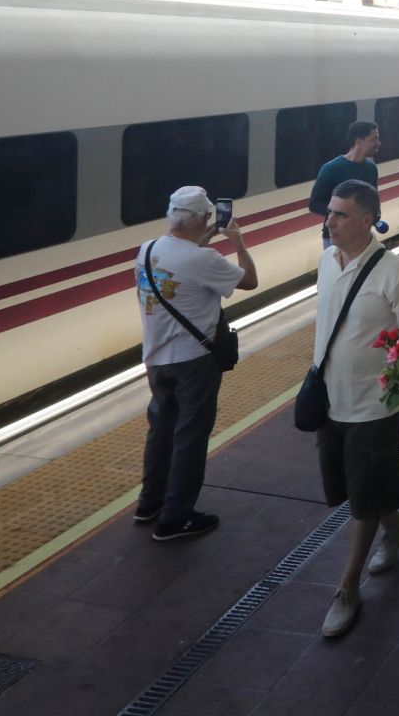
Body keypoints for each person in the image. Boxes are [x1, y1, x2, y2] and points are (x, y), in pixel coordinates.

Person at [313, 181, 399, 638]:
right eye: (330, 213)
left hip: (372, 408)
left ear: (366, 220)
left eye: (339, 215)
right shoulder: (325, 260)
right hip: (327, 401)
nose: (329, 222)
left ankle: (347, 589)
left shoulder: (395, 273)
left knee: (360, 503)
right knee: (352, 490)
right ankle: (396, 525)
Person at [133, 186, 257, 541]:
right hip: (193, 362)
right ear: (203, 219)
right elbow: (250, 280)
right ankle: (176, 518)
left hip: (155, 360)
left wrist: (198, 243)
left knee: (160, 431)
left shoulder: (147, 250)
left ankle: (149, 503)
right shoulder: (204, 261)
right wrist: (238, 243)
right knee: (190, 437)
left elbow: (181, 267)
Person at [307, 120, 380, 246]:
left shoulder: (371, 169)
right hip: (335, 238)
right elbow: (315, 204)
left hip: (362, 237)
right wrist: (344, 214)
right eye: (374, 139)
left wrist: (375, 216)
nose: (378, 143)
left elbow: (373, 201)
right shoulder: (331, 168)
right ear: (359, 141)